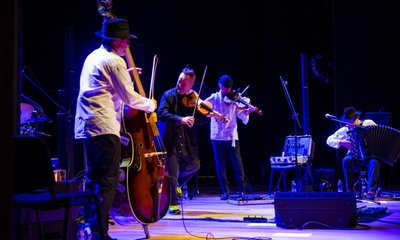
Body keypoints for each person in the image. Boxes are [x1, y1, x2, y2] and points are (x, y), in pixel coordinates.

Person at [74, 18, 157, 239]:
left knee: (94, 179)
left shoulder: (93, 56)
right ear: (117, 41)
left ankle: (88, 228)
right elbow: (130, 98)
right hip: (103, 127)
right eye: (126, 42)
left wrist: (125, 74)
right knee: (107, 183)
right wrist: (151, 104)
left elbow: (105, 84)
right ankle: (101, 233)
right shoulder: (114, 62)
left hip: (88, 126)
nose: (128, 45)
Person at [157, 66, 220, 214]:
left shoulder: (194, 100)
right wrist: (180, 119)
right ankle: (172, 204)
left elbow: (197, 120)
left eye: (184, 84)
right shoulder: (168, 95)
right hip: (170, 140)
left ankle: (175, 185)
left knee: (194, 165)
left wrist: (208, 116)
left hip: (185, 141)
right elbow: (161, 113)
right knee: (172, 171)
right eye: (179, 82)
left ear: (191, 85)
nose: (180, 85)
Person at [204, 75, 256, 200]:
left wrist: (248, 111)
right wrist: (212, 114)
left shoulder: (235, 98)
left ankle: (241, 190)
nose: (228, 90)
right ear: (219, 85)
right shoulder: (214, 98)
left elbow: (241, 116)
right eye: (225, 87)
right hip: (217, 135)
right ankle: (225, 190)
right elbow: (203, 109)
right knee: (220, 164)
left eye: (229, 88)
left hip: (232, 134)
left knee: (237, 162)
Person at [326, 107, 379, 200]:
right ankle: (350, 189)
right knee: (346, 160)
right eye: (347, 122)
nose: (349, 124)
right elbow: (329, 140)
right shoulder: (345, 129)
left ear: (357, 118)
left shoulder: (368, 123)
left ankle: (371, 191)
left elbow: (379, 134)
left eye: (351, 121)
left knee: (374, 162)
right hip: (354, 155)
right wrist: (341, 142)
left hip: (369, 156)